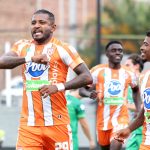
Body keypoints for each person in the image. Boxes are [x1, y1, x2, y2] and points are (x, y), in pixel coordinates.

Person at [0, 9, 93, 150]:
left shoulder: (63, 49)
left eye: (42, 22)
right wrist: (30, 58)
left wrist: (58, 87)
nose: (36, 26)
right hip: (29, 126)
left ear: (53, 27)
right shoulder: (22, 46)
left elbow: (87, 77)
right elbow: (2, 61)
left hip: (57, 124)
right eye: (33, 23)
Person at [79, 40, 141, 150]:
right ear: (107, 53)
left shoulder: (129, 73)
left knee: (115, 145)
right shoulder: (97, 71)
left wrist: (137, 108)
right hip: (103, 120)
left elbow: (136, 89)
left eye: (120, 51)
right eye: (114, 50)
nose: (118, 53)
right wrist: (90, 94)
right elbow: (81, 90)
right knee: (105, 147)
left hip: (121, 119)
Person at [114, 31, 150, 150]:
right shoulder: (144, 78)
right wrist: (128, 129)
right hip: (146, 142)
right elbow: (144, 113)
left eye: (146, 44)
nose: (142, 47)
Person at [125, 54, 144, 150]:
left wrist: (124, 104)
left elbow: (144, 107)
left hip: (144, 129)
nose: (125, 68)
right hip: (134, 129)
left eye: (128, 65)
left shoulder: (144, 81)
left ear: (136, 66)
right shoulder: (129, 85)